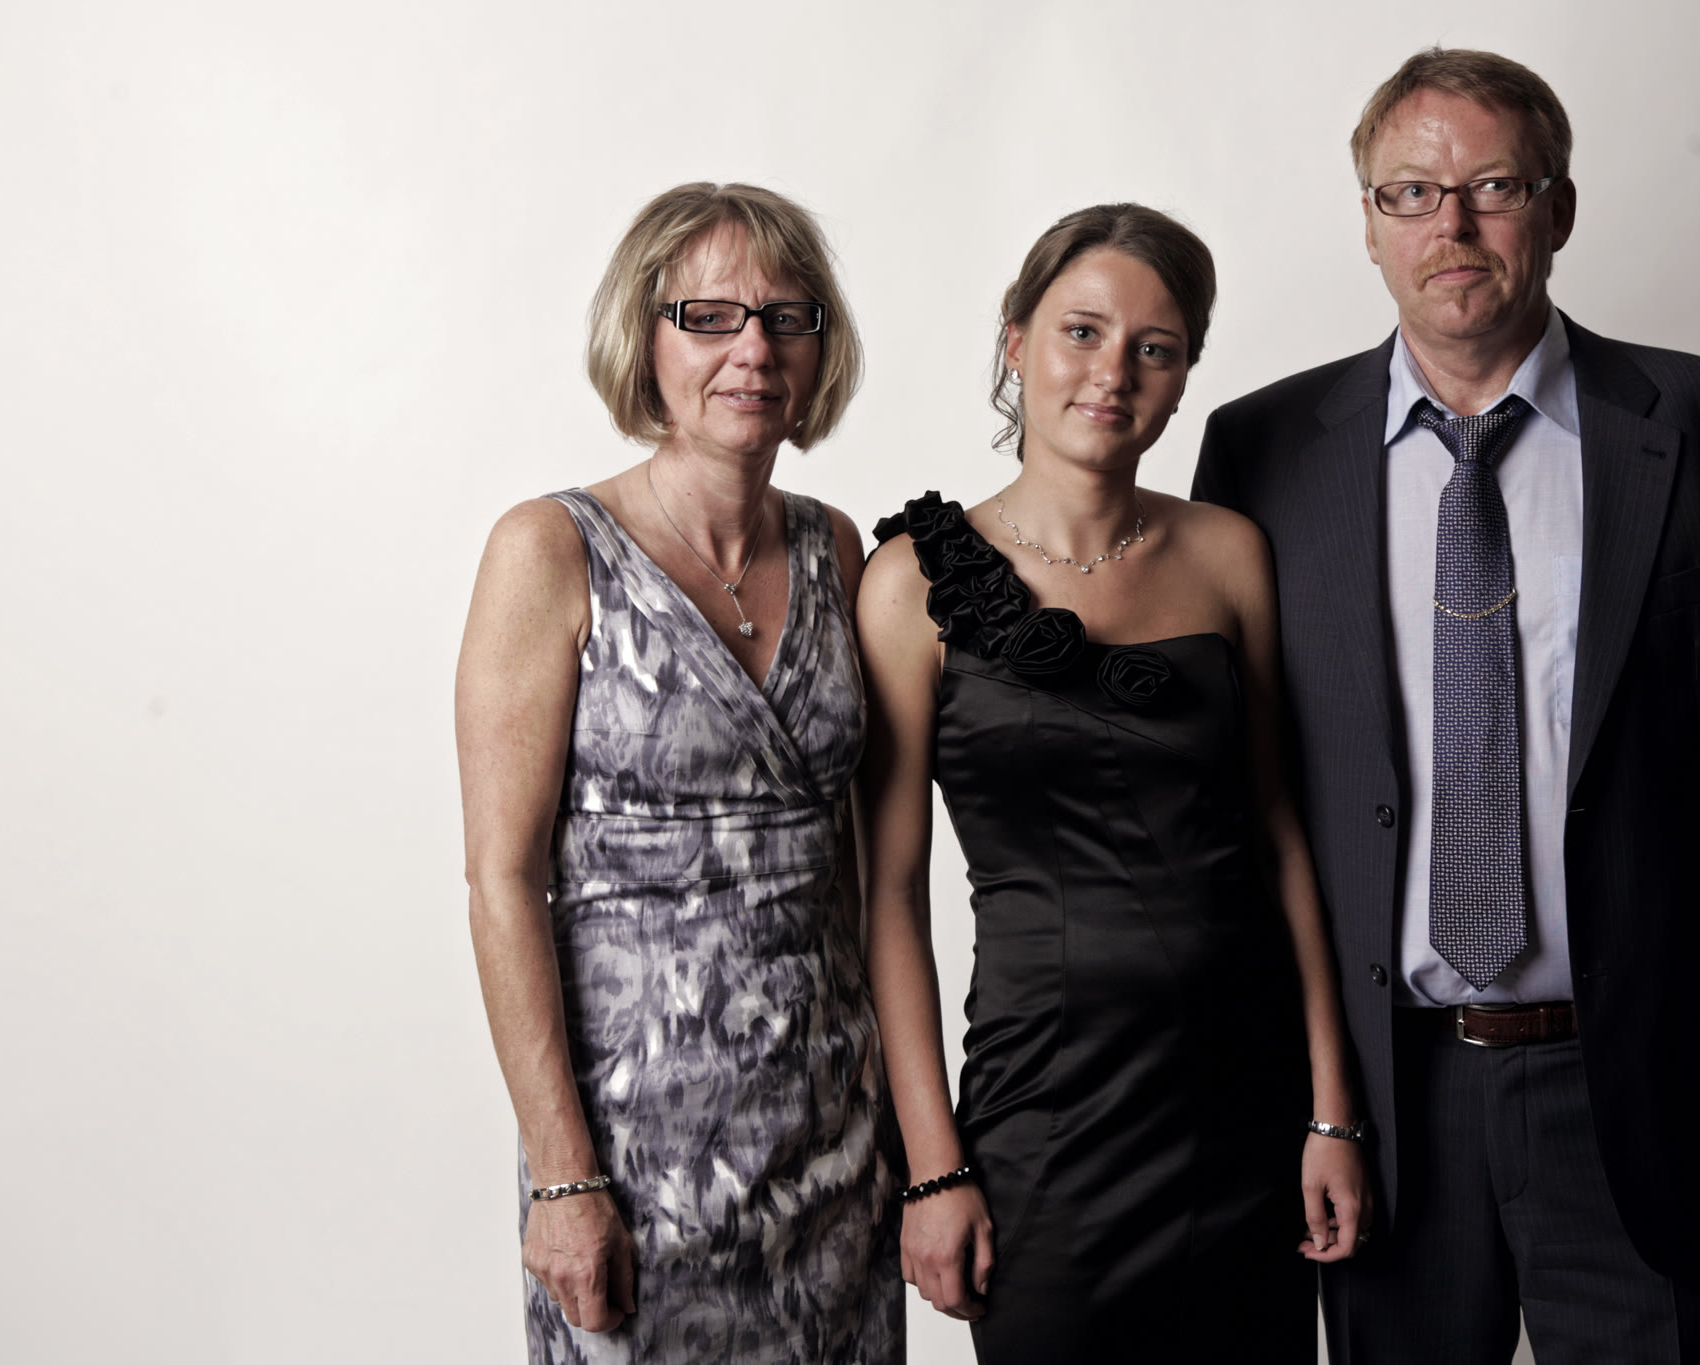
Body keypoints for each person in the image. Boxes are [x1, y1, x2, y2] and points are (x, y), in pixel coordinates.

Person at [1191, 47, 1700, 1365]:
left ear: (1557, 209)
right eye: (1409, 193)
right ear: (1369, 225)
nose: (1449, 226)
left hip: (1643, 1077)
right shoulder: (1260, 450)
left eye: (1493, 186)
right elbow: (1236, 786)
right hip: (1380, 1098)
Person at [858, 203, 1369, 1364]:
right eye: (1080, 332)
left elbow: (1280, 838)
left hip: (1241, 1110)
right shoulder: (910, 583)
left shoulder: (1229, 553)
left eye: (1154, 347)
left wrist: (1330, 1112)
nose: (1112, 373)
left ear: (1183, 376)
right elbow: (885, 895)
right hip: (1043, 1118)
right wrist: (931, 1166)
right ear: (1014, 342)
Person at [455, 182, 903, 1365]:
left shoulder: (834, 546)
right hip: (635, 1168)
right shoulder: (548, 551)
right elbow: (501, 882)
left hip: (834, 1153)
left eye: (785, 318)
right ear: (642, 339)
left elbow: (851, 866)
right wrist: (562, 1178)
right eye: (708, 316)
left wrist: (905, 1139)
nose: (753, 349)